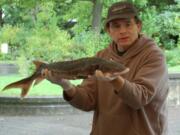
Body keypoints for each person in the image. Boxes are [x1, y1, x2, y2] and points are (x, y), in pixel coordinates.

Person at [42, 1, 169, 135]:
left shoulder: (154, 56)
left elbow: (140, 98)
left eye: (128, 24)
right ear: (108, 30)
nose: (123, 31)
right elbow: (88, 101)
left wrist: (114, 79)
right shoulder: (101, 57)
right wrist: (66, 85)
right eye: (116, 26)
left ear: (138, 26)